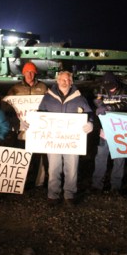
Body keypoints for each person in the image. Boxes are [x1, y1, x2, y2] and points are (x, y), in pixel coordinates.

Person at [36, 71, 94, 207]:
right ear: (57, 81)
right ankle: (53, 195)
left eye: (68, 80)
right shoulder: (48, 97)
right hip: (53, 140)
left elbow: (89, 113)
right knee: (54, 168)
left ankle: (69, 195)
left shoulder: (79, 98)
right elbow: (39, 114)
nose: (65, 82)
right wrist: (31, 123)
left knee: (72, 168)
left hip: (72, 141)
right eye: (62, 79)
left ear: (71, 82)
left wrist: (90, 122)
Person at [5, 61, 48, 189]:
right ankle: (20, 181)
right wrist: (16, 123)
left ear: (35, 73)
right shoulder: (15, 88)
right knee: (22, 153)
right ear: (23, 73)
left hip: (39, 128)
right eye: (27, 72)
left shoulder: (43, 87)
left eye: (32, 72)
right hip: (22, 129)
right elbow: (7, 107)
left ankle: (39, 182)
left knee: (40, 155)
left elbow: (50, 103)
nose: (29, 75)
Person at [90, 72, 127, 196]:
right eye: (107, 87)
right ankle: (97, 185)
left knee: (119, 158)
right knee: (101, 157)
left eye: (112, 87)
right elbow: (95, 99)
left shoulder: (124, 90)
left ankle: (116, 186)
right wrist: (97, 103)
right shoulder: (101, 89)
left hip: (121, 131)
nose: (109, 89)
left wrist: (108, 108)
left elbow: (126, 104)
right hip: (105, 131)